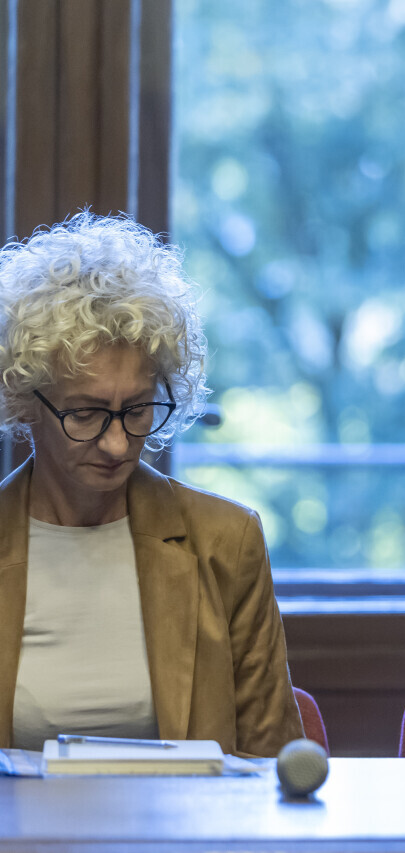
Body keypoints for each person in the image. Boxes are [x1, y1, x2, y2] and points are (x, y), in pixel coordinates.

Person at [0, 212, 303, 757]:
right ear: (25, 402)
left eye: (137, 409)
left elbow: (268, 762)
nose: (118, 444)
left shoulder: (224, 541)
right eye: (86, 413)